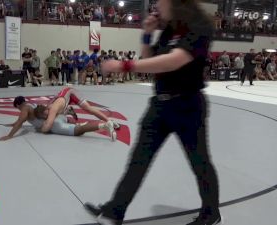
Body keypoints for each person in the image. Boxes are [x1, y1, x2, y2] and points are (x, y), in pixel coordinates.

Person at [84, 0, 222, 225]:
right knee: (138, 160)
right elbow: (150, 61)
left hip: (188, 106)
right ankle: (114, 211)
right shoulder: (168, 29)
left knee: (199, 162)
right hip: (160, 105)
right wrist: (147, 34)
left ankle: (211, 213)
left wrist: (124, 65)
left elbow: (174, 61)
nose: (157, 5)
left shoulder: (199, 26)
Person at [0, 96, 115, 141]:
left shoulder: (24, 109)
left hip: (54, 124)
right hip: (57, 117)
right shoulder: (31, 105)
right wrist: (13, 124)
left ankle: (104, 125)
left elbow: (20, 121)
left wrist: (10, 135)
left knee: (78, 131)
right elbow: (20, 120)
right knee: (69, 123)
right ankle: (67, 114)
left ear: (18, 105)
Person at [40, 87, 119, 140]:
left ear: (47, 109)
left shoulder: (53, 108)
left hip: (70, 93)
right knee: (59, 113)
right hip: (62, 103)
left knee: (88, 108)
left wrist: (41, 129)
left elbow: (47, 126)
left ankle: (109, 120)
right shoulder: (49, 108)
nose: (46, 117)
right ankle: (68, 110)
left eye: (45, 115)